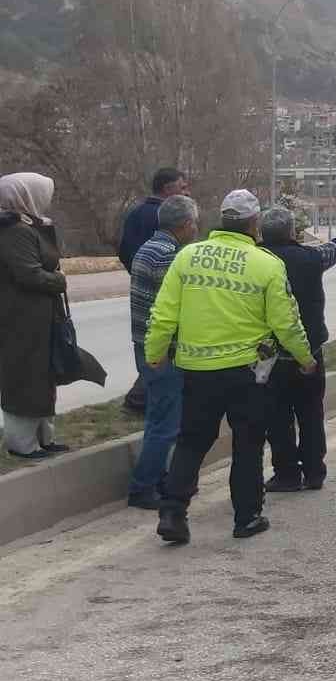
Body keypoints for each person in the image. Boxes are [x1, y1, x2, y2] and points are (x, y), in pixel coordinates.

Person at [144, 190, 315, 545]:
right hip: (247, 373)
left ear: (221, 219)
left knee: (192, 440)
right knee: (248, 443)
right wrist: (305, 358)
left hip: (197, 369)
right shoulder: (266, 264)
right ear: (254, 224)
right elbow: (286, 322)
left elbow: (163, 313)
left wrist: (155, 353)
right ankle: (247, 517)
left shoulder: (188, 256)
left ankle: (173, 511)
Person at [258, 207, 336, 491]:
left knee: (277, 418)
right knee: (311, 413)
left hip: (267, 355)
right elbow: (335, 248)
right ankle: (315, 471)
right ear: (292, 232)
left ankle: (286, 474)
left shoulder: (254, 259)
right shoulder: (311, 258)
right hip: (310, 351)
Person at [125, 195, 200, 509]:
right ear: (184, 226)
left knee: (158, 418)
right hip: (164, 351)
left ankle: (156, 476)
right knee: (166, 424)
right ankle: (143, 487)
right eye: (194, 223)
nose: (197, 228)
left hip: (146, 346)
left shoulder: (149, 246)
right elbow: (179, 307)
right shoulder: (170, 256)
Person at [0, 173, 70, 460]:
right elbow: (28, 274)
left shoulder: (30, 225)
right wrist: (59, 280)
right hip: (21, 317)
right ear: (26, 195)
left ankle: (43, 438)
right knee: (24, 377)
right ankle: (22, 443)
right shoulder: (14, 230)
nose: (47, 200)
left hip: (39, 315)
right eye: (43, 193)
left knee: (43, 376)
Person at [119, 167, 191, 413]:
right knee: (164, 408)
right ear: (167, 189)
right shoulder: (164, 230)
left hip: (144, 294)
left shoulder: (135, 213)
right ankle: (138, 401)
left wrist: (140, 273)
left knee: (153, 379)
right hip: (160, 321)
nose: (186, 191)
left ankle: (139, 401)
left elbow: (124, 250)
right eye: (182, 187)